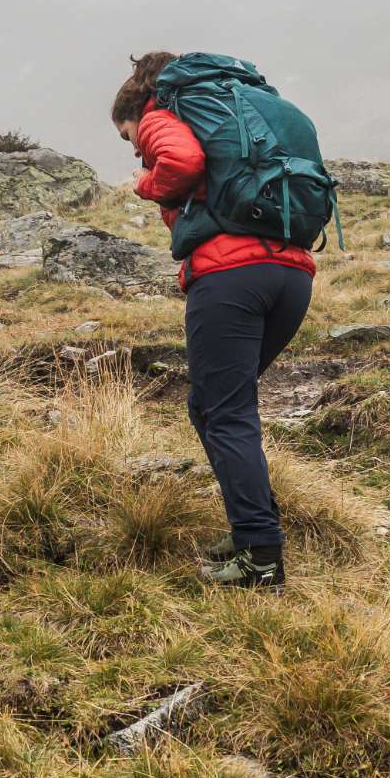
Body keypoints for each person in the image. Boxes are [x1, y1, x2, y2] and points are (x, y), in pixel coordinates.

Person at [113, 51, 317, 589]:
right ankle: (252, 529)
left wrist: (143, 183)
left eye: (126, 134)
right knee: (215, 407)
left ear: (135, 110)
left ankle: (261, 557)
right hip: (291, 274)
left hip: (231, 278)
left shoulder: (163, 114)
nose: (135, 146)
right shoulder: (244, 106)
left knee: (224, 412)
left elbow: (180, 164)